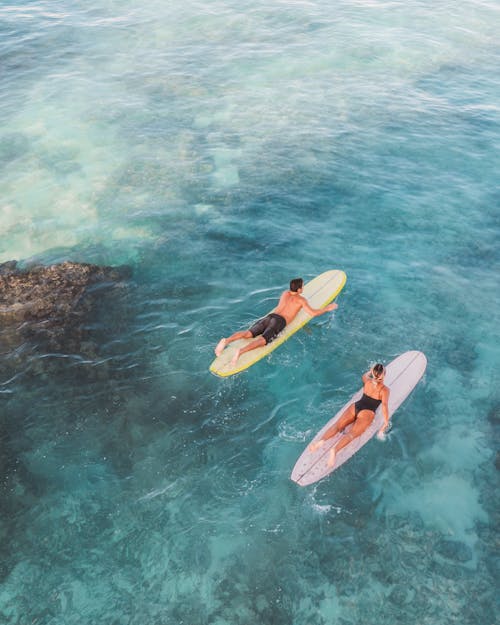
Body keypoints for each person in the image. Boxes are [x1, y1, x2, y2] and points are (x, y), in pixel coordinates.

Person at [214, 278, 338, 365]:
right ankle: (240, 352)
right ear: (299, 289)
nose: (304, 287)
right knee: (263, 340)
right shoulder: (301, 300)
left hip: (270, 317)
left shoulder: (284, 293)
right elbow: (313, 313)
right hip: (279, 322)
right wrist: (328, 308)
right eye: (303, 286)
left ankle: (227, 340)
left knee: (248, 333)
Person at [309, 363, 390, 467]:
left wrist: (370, 372)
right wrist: (386, 423)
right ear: (383, 375)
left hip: (356, 406)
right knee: (352, 434)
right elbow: (384, 406)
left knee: (337, 426)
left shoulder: (367, 382)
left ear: (373, 373)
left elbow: (364, 376)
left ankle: (321, 441)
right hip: (367, 412)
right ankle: (335, 450)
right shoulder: (385, 390)